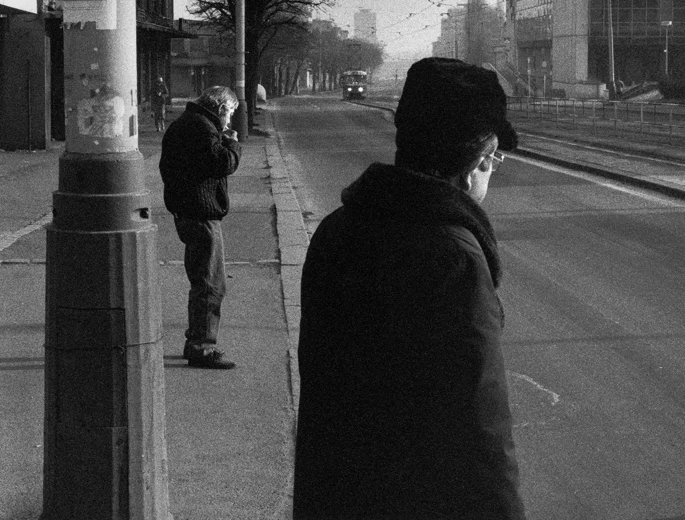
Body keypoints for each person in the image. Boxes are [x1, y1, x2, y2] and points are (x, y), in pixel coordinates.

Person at [293, 57, 526, 519]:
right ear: (476, 162)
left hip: (334, 491)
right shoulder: (453, 255)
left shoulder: (337, 229)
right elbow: (481, 425)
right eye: (494, 159)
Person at [159, 85, 242, 370]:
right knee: (211, 284)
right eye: (230, 113)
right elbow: (221, 163)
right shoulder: (203, 128)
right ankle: (202, 347)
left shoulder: (184, 123)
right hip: (201, 214)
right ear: (221, 108)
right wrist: (232, 144)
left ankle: (195, 340)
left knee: (201, 279)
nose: (229, 121)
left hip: (186, 211)